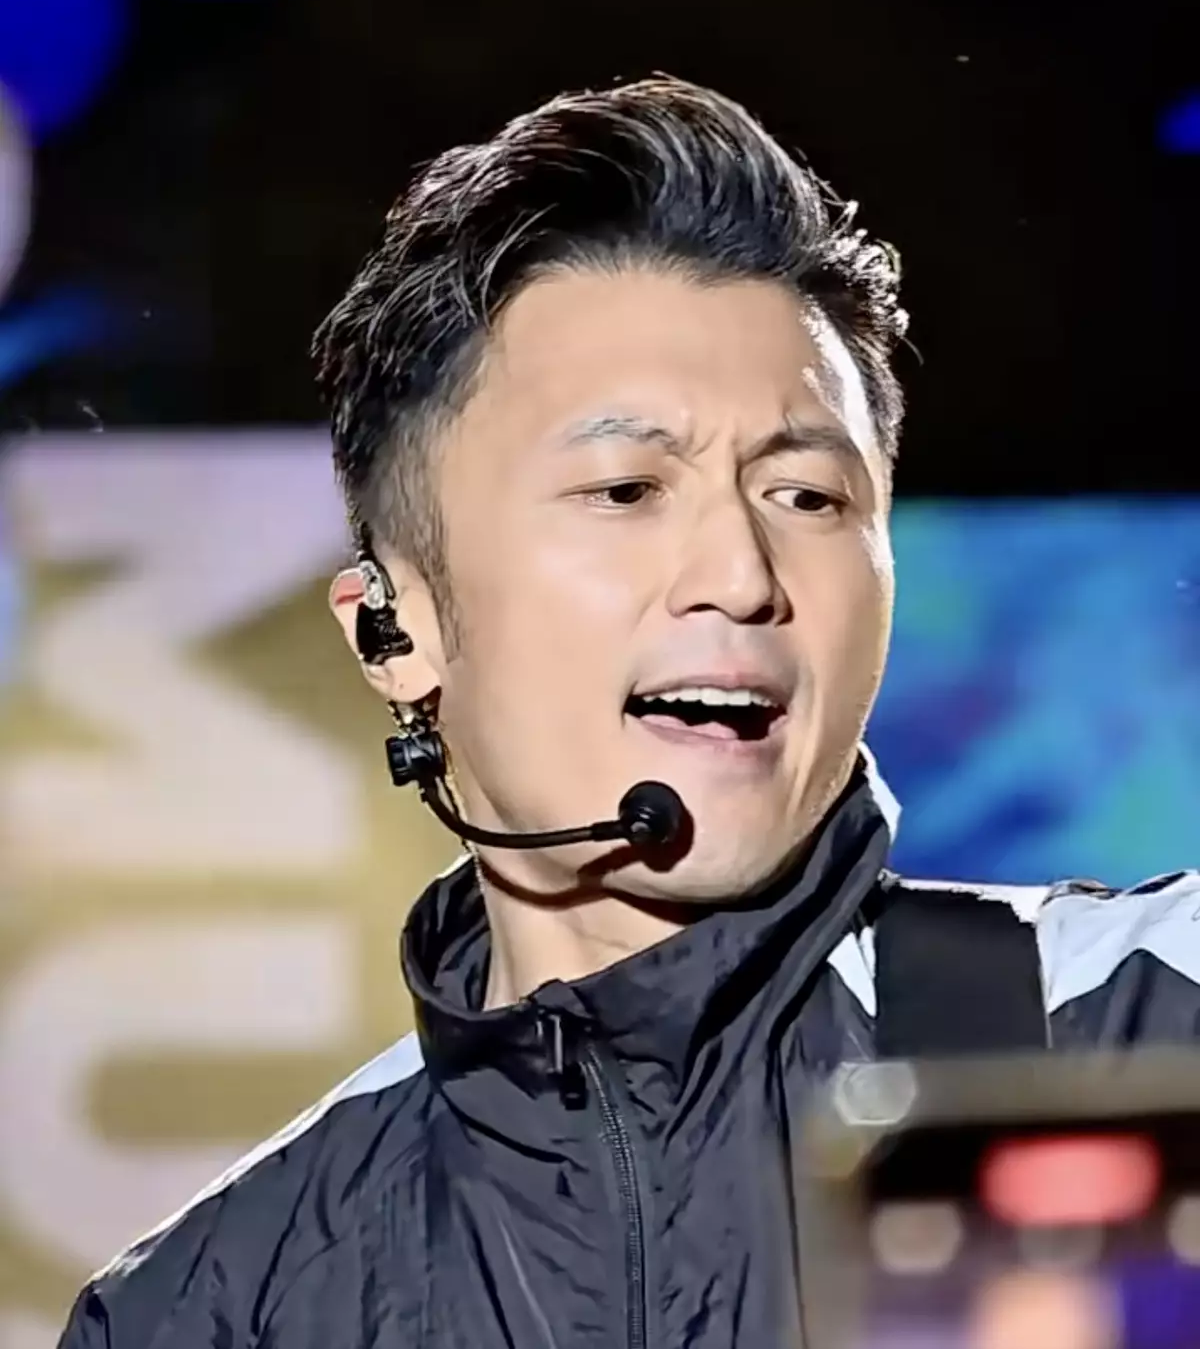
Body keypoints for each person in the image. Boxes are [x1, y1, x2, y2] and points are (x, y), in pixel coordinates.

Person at [59, 77, 1200, 1348]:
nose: (742, 575)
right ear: (395, 628)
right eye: (624, 490)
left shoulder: (1148, 1039)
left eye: (809, 498)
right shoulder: (223, 1306)